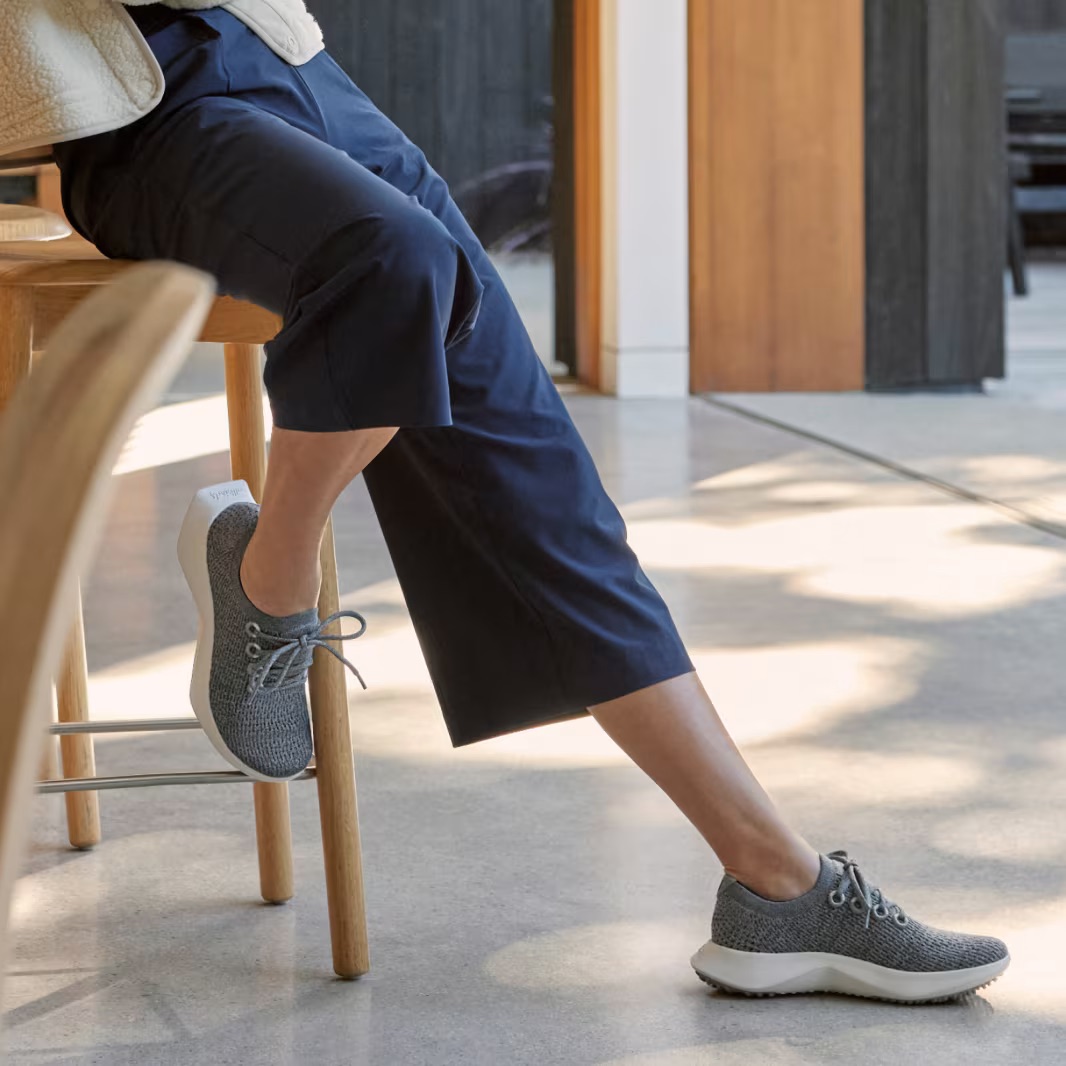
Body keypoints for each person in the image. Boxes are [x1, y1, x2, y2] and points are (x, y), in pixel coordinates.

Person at [4, 0, 1008, 1003]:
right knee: (395, 259)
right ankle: (271, 577)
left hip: (282, 59)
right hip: (131, 116)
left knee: (535, 466)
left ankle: (777, 882)